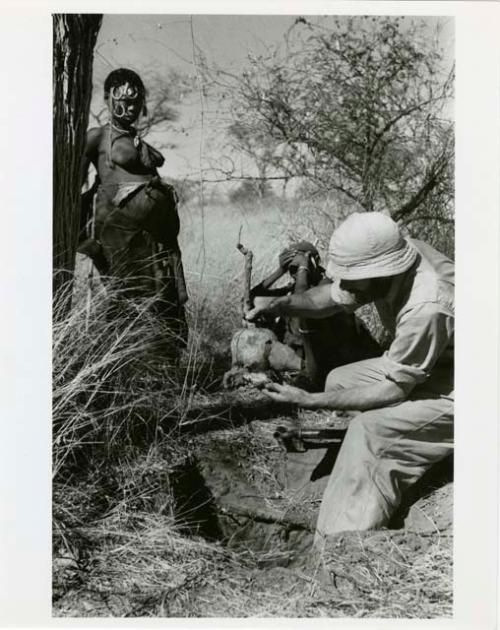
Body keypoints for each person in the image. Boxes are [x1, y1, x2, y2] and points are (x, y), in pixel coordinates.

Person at [247, 212, 454, 545]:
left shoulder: (427, 303)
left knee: (369, 432)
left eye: (352, 278)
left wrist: (309, 400)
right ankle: (394, 450)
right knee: (341, 381)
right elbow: (329, 298)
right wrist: (278, 305)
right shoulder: (393, 257)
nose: (344, 285)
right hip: (439, 362)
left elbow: (394, 389)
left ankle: (341, 548)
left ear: (379, 271)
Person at [78, 68, 188, 356]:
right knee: (125, 294)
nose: (129, 108)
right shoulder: (96, 138)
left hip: (152, 237)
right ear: (107, 99)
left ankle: (161, 365)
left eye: (135, 103)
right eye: (122, 100)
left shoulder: (140, 144)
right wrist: (85, 234)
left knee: (159, 294)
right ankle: (120, 362)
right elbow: (72, 187)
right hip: (117, 233)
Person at [250, 241, 381, 390]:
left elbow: (300, 303)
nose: (294, 273)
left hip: (333, 360)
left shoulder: (329, 286)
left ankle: (305, 373)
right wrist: (280, 270)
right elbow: (252, 299)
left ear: (314, 261)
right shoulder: (296, 285)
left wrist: (302, 268)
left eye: (297, 269)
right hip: (306, 355)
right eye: (290, 270)